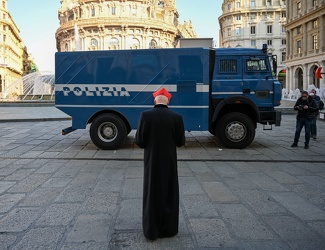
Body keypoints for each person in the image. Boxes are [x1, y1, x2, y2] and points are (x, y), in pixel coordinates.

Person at [135, 87, 185, 241]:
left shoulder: (145, 116)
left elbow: (140, 141)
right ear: (168, 100)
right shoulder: (177, 117)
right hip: (169, 161)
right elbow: (180, 142)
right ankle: (169, 229)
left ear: (154, 100)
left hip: (152, 162)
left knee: (152, 192)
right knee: (169, 192)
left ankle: (152, 230)